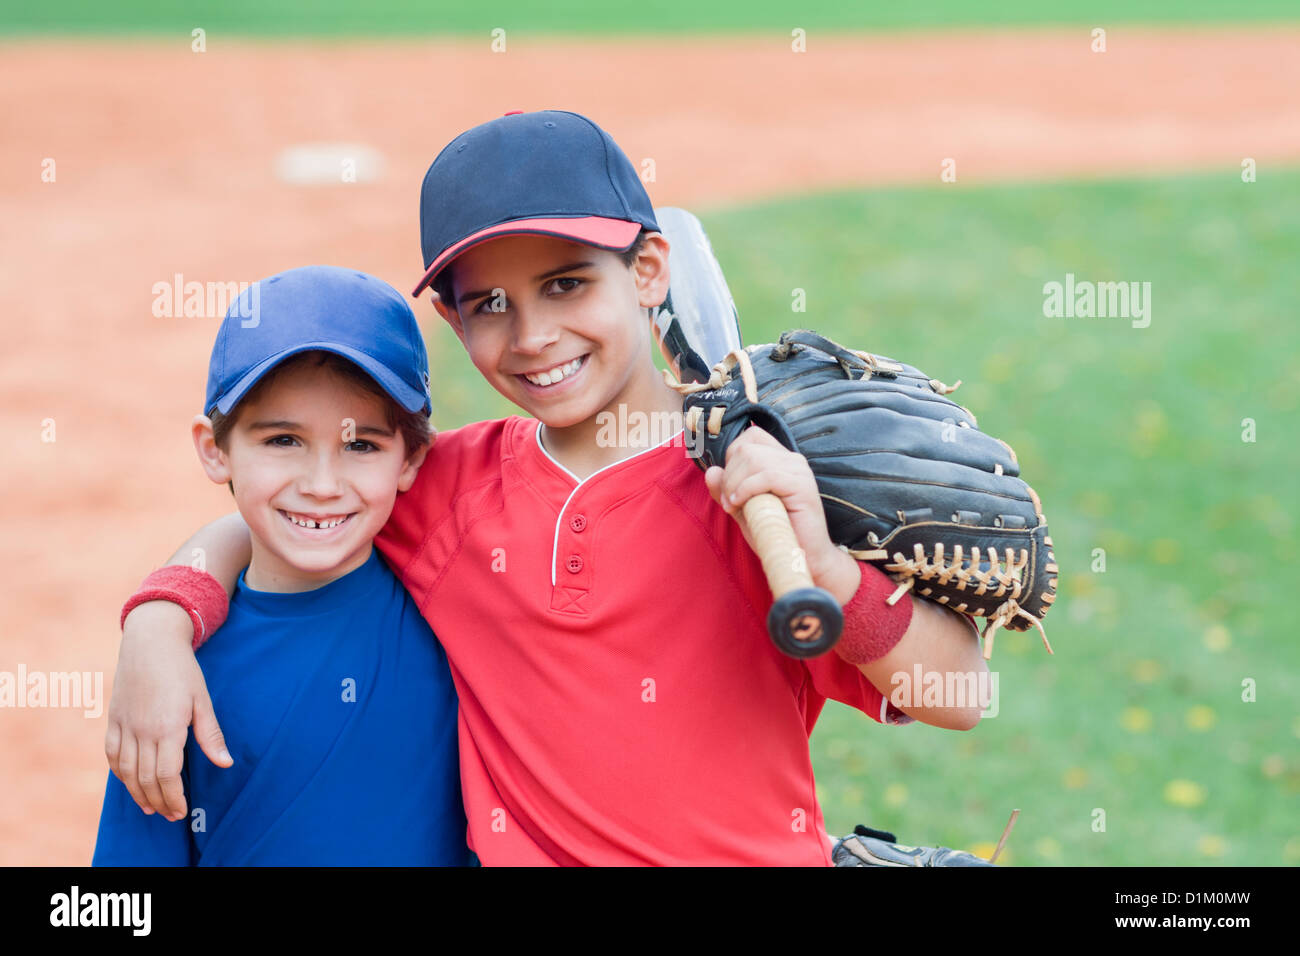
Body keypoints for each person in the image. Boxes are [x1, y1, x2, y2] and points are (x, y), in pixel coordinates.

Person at [107, 111, 988, 866]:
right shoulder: (442, 486)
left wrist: (829, 567)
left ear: (648, 273)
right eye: (489, 304)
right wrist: (160, 617)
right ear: (451, 320)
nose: (532, 335)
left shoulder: (756, 501)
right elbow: (285, 511)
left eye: (567, 283)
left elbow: (961, 697)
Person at [94, 266, 467, 865]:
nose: (322, 484)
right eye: (283, 441)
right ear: (214, 449)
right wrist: (157, 622)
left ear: (411, 459)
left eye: (361, 445)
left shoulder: (456, 615)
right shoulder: (173, 676)